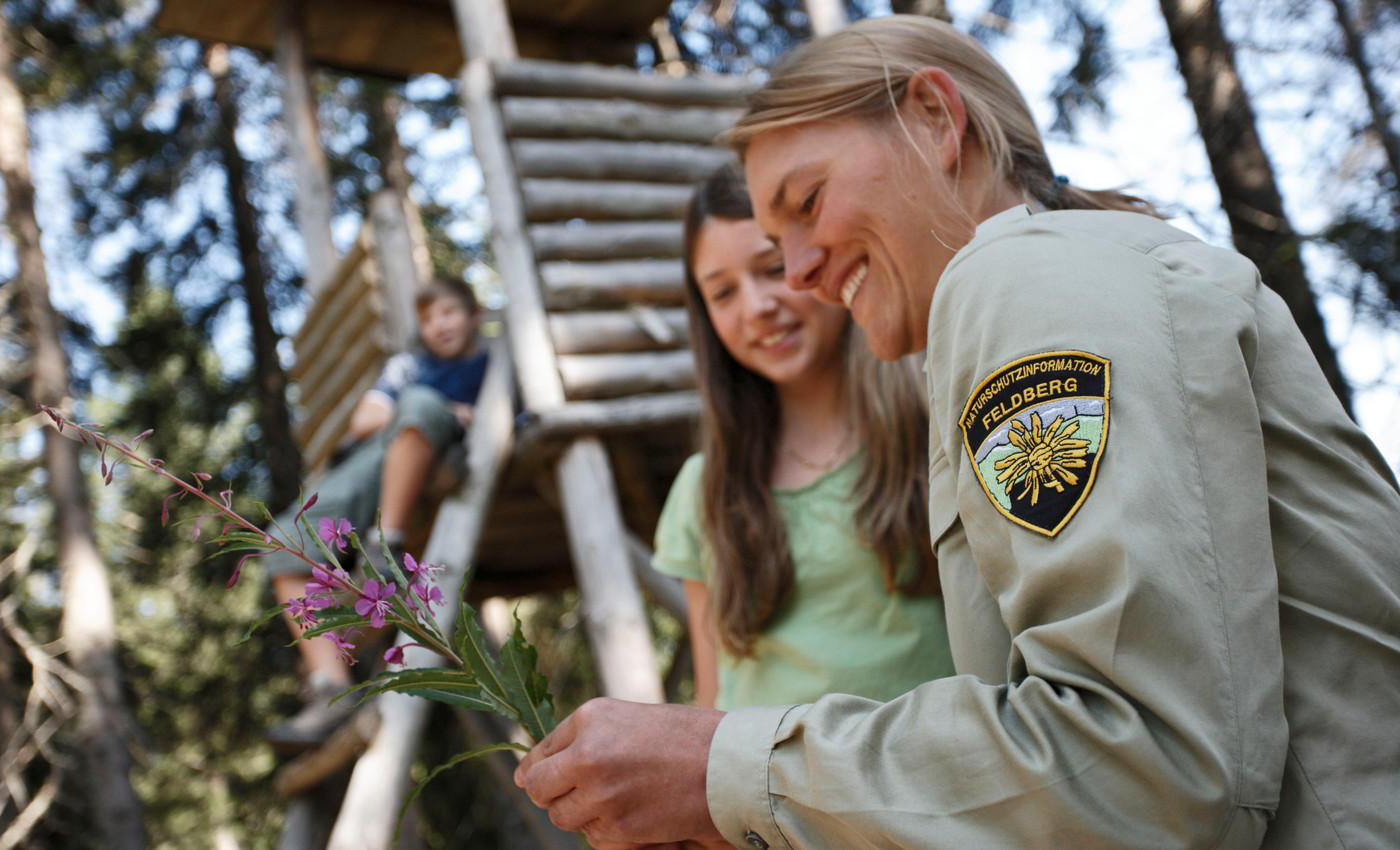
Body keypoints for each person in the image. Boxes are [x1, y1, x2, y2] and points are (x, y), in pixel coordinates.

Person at [513, 15, 1400, 850]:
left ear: (937, 117)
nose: (803, 275)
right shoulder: (1068, 277)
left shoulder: (1019, 277)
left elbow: (1147, 764)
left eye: (808, 202)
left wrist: (725, 767)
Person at [656, 162, 952, 713]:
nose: (755, 307)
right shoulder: (703, 489)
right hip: (766, 797)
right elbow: (712, 701)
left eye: (771, 269)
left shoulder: (940, 428)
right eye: (722, 294)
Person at [265, 273, 488, 753]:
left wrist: (439, 410)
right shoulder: (409, 366)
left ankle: (387, 545)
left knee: (422, 405)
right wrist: (444, 406)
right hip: (374, 460)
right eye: (428, 319)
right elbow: (364, 420)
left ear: (475, 315)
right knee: (281, 544)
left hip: (433, 453)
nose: (439, 325)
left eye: (449, 312)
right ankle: (330, 686)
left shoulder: (492, 364)